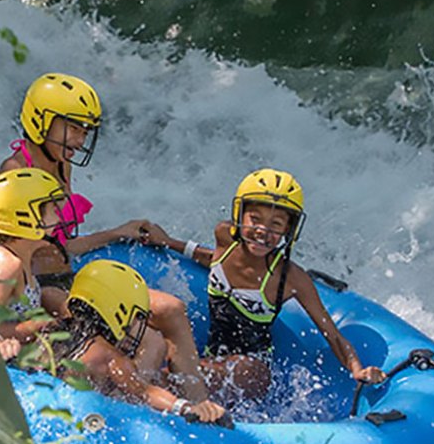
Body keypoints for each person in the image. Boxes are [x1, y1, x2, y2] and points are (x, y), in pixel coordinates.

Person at [0, 72, 208, 401]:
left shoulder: (62, 163)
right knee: (154, 328)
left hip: (66, 277)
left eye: (84, 130)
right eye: (73, 128)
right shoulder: (15, 172)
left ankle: (189, 402)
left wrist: (116, 232)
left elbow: (59, 245)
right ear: (41, 121)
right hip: (44, 290)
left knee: (171, 310)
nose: (80, 140)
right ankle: (137, 402)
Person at [142, 168, 386, 400]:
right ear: (239, 215)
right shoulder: (225, 236)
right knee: (153, 353)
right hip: (212, 357)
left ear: (289, 230)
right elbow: (212, 259)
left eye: (276, 225)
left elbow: (332, 335)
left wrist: (357, 369)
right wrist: (168, 242)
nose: (262, 231)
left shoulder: (289, 278)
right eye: (255, 219)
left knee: (171, 377)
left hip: (252, 369)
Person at [47, 259, 227, 424]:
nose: (137, 324)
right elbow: (144, 392)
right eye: (136, 318)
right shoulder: (110, 357)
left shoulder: (51, 329)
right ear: (118, 314)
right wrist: (185, 407)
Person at [0, 167, 78, 361]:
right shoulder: (5, 263)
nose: (59, 217)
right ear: (26, 217)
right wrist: (10, 336)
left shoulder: (22, 254)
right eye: (53, 210)